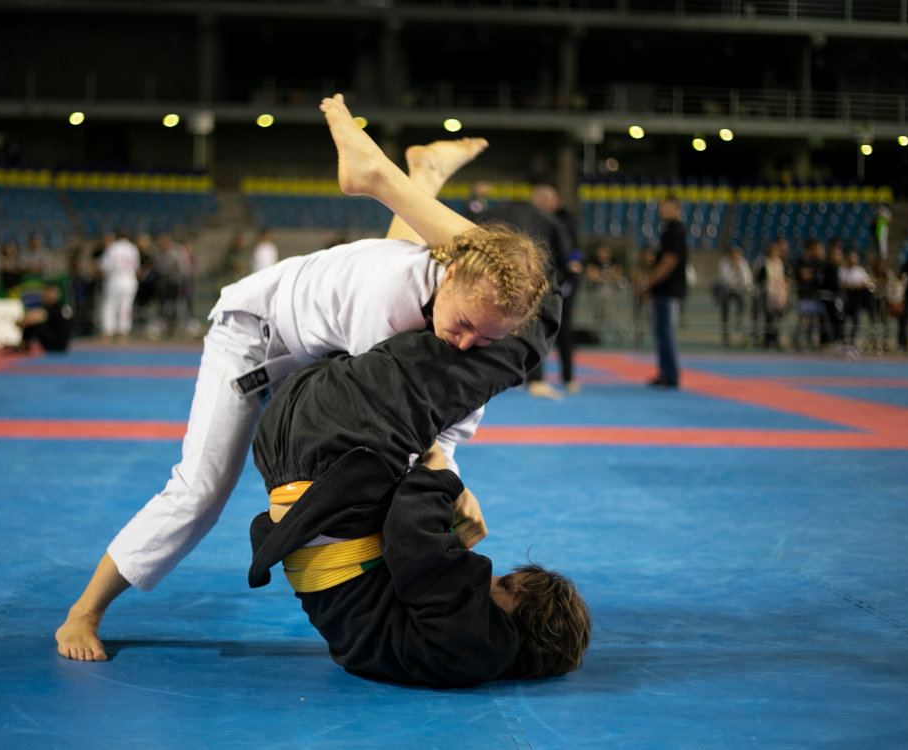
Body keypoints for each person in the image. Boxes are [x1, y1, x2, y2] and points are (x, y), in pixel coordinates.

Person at [55, 93, 552, 662]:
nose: (466, 344)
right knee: (201, 490)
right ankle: (84, 611)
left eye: (485, 339)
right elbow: (381, 413)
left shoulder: (465, 310)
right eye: (462, 324)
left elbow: (442, 416)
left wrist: (450, 474)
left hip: (326, 345)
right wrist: (448, 484)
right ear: (451, 272)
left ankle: (422, 175)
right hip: (256, 338)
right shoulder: (388, 294)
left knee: (425, 397)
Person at [247, 268, 587, 686]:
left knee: (515, 345)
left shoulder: (482, 641)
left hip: (328, 448)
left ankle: (521, 277)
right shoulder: (433, 652)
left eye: (506, 585)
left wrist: (447, 485)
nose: (489, 575)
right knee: (416, 348)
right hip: (287, 446)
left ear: (522, 607)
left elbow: (410, 528)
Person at [477, 183, 575, 399]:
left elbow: (472, 226)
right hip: (532, 276)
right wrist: (567, 273)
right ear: (547, 203)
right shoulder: (548, 218)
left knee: (495, 324)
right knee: (535, 323)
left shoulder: (498, 210)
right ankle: (536, 380)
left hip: (494, 274)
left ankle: (497, 376)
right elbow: (566, 252)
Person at [637, 196, 687, 387]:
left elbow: (669, 262)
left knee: (665, 333)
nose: (663, 210)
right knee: (661, 333)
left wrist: (647, 283)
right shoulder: (666, 231)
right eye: (662, 207)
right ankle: (665, 373)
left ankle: (671, 375)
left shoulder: (675, 231)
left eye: (668, 207)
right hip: (662, 291)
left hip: (669, 291)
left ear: (678, 210)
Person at [98, 230, 141, 344]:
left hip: (115, 279)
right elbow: (136, 267)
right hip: (130, 280)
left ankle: (107, 332)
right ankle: (122, 332)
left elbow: (104, 266)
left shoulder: (112, 248)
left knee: (110, 306)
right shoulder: (133, 248)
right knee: (126, 307)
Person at [10, 284, 72, 352]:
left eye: (45, 293)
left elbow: (38, 316)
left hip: (57, 345)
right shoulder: (55, 306)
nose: (42, 295)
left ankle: (23, 345)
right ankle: (23, 344)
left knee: (35, 325)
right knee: (35, 324)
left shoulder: (56, 307)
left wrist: (23, 322)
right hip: (59, 344)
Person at [713, 243, 753, 347]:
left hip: (739, 290)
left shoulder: (743, 263)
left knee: (744, 306)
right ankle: (725, 337)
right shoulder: (724, 262)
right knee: (725, 313)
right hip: (726, 290)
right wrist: (733, 269)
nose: (735, 255)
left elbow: (747, 279)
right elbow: (726, 280)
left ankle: (740, 325)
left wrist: (739, 268)